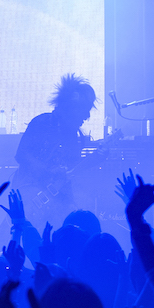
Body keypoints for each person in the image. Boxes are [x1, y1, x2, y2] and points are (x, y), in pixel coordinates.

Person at [13, 74, 96, 228]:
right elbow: (21, 155)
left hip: (58, 202)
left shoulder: (74, 136)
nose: (87, 116)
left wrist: (94, 161)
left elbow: (71, 170)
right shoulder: (41, 123)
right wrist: (47, 171)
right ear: (71, 108)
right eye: (84, 110)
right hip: (30, 197)